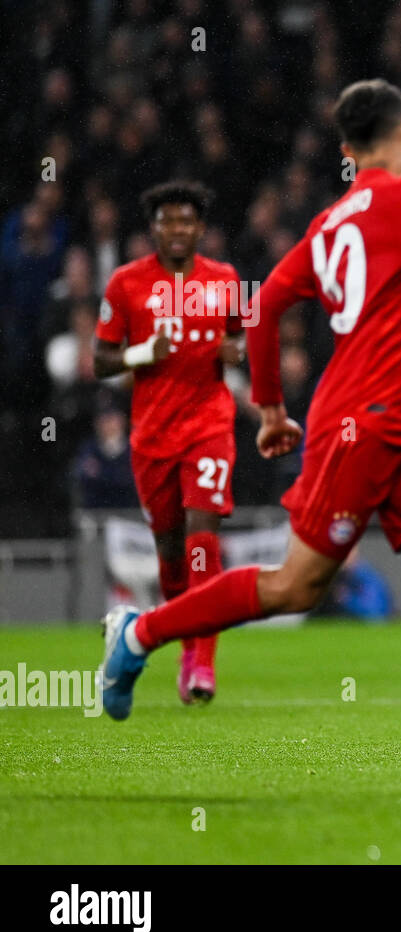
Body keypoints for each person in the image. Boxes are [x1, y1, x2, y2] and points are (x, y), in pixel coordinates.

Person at [97, 79, 401, 790]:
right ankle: (141, 633)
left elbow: (266, 303)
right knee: (294, 586)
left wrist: (270, 409)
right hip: (359, 425)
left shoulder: (330, 223)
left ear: (345, 150)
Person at [93, 180, 245, 705]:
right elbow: (100, 360)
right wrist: (141, 355)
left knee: (204, 537)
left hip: (209, 426)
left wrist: (236, 351)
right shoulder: (126, 284)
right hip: (152, 436)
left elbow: (242, 337)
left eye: (186, 221)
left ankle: (202, 663)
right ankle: (184, 640)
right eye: (167, 221)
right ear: (153, 228)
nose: (177, 229)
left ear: (200, 228)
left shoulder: (225, 280)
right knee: (172, 552)